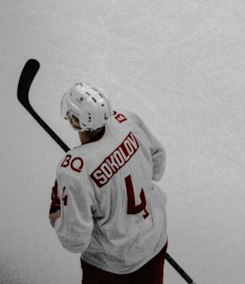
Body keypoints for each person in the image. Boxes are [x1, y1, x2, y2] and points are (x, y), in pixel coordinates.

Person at [50, 83, 168, 283]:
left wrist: (58, 218)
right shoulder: (128, 120)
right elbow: (158, 160)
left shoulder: (75, 170)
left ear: (75, 120)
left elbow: (75, 239)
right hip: (154, 243)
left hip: (110, 267)